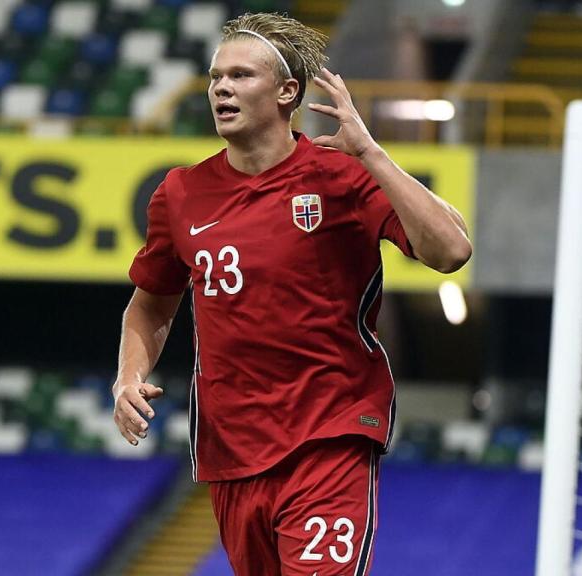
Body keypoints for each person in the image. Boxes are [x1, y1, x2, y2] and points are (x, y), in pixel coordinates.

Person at [113, 12, 471, 576]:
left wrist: (373, 154)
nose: (222, 88)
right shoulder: (180, 194)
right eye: (215, 77)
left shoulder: (342, 177)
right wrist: (129, 374)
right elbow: (153, 300)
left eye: (240, 76)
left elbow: (451, 250)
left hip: (331, 435)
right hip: (232, 451)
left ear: (287, 92)